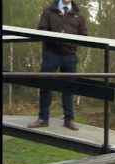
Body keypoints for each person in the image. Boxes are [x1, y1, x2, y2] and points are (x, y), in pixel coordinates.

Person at [28, 0, 87, 130]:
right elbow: (41, 30)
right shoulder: (48, 11)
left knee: (69, 88)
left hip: (70, 56)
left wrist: (72, 43)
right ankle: (43, 118)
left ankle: (69, 120)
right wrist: (55, 38)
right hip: (51, 54)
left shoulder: (79, 14)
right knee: (45, 86)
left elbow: (84, 35)